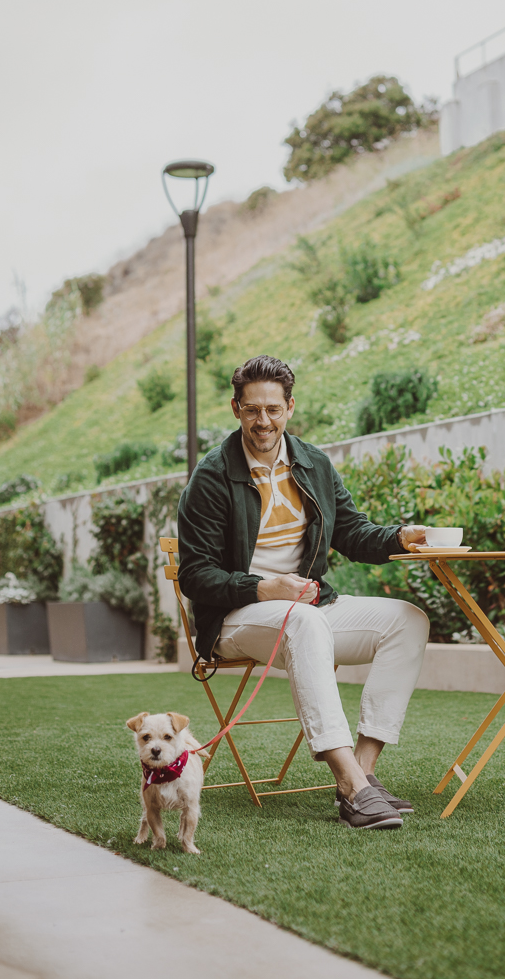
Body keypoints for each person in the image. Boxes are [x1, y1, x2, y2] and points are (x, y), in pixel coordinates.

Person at [177, 354, 430, 830]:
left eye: (273, 409)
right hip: (235, 617)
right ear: (236, 409)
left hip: (307, 608)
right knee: (306, 621)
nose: (263, 421)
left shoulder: (313, 463)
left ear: (290, 407)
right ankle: (351, 785)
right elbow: (195, 574)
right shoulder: (211, 476)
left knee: (408, 620)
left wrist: (399, 537)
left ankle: (364, 773)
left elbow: (352, 532)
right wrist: (263, 587)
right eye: (252, 410)